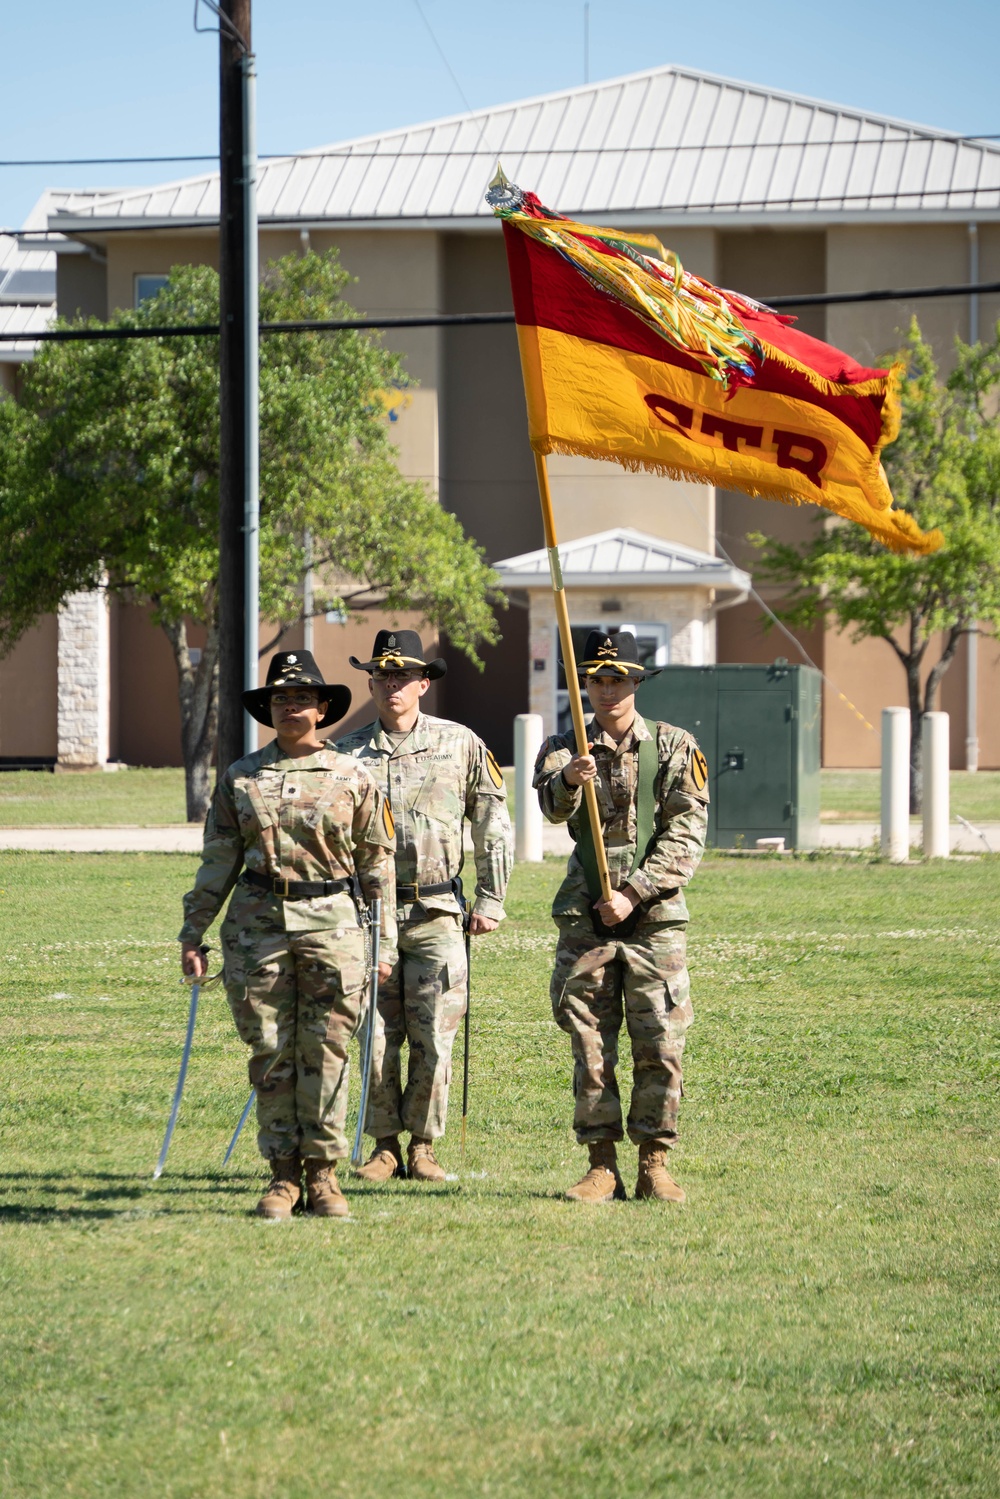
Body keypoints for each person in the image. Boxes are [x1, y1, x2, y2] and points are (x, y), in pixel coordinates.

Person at [178, 649, 397, 1221]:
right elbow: (217, 861)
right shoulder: (240, 777)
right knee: (271, 1052)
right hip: (258, 929)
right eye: (281, 698)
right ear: (268, 709)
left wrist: (385, 943)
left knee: (327, 1052)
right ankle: (282, 1177)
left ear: (323, 709)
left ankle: (323, 1177)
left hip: (336, 926)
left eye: (302, 698)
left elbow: (378, 865)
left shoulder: (355, 775)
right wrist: (192, 932)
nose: (291, 706)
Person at [533, 630, 709, 1204]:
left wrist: (634, 892)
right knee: (590, 1042)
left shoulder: (674, 745)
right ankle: (601, 1165)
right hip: (585, 917)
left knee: (660, 1039)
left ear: (636, 682)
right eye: (597, 680)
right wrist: (568, 781)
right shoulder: (565, 746)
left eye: (617, 679)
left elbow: (686, 833)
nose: (606, 690)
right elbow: (549, 807)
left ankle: (654, 1162)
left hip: (653, 918)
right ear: (585, 684)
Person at [336, 629, 513, 1182]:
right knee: (377, 1035)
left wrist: (491, 896)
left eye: (403, 675)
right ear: (371, 680)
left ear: (423, 683)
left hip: (437, 911)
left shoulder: (460, 743)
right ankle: (385, 1146)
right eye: (382, 674)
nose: (392, 684)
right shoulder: (346, 752)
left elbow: (492, 823)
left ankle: (424, 1147)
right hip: (369, 915)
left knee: (434, 1031)